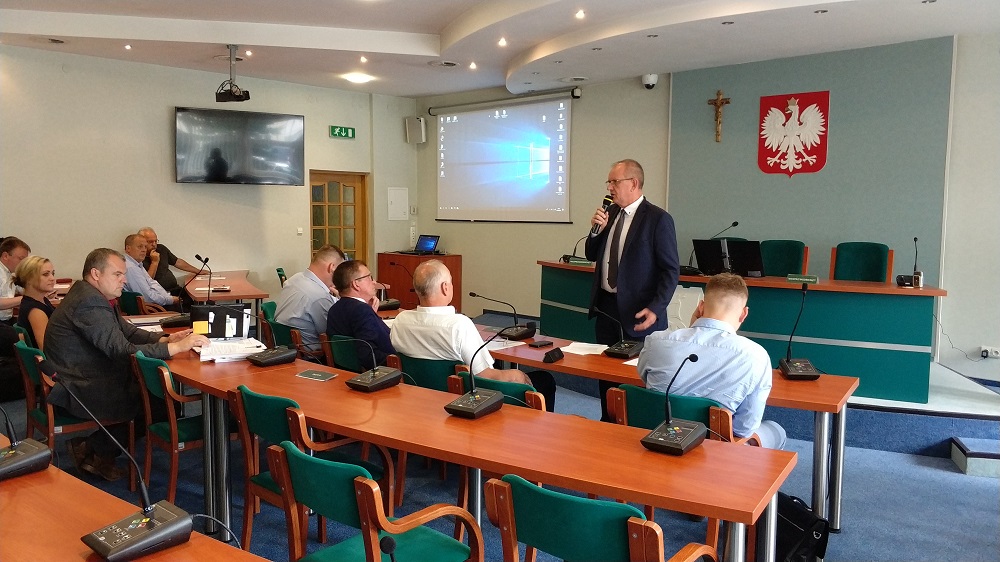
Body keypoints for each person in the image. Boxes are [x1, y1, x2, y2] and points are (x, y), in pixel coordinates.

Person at [45, 248, 209, 480]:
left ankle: (97, 450)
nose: (124, 279)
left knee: (158, 398)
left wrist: (165, 339)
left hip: (82, 374)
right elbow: (120, 350)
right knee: (159, 402)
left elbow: (127, 331)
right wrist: (175, 349)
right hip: (80, 386)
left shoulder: (91, 294)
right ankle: (92, 449)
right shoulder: (89, 302)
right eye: (118, 274)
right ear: (96, 274)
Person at [637, 273, 785, 449]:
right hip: (713, 451)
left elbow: (645, 379)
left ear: (700, 307)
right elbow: (743, 429)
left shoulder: (656, 341)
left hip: (656, 439)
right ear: (743, 314)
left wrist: (691, 329)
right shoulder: (756, 355)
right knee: (776, 430)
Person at [390, 260, 556, 410]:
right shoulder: (459, 325)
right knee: (544, 379)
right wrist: (516, 375)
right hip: (464, 404)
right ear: (445, 287)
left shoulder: (400, 321)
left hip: (418, 402)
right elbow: (485, 376)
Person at [585, 159, 679, 421]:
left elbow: (670, 270)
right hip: (606, 308)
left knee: (636, 378)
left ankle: (634, 427)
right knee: (606, 373)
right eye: (609, 182)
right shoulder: (610, 213)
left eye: (614, 182)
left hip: (639, 313)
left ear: (634, 183)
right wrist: (595, 232)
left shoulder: (658, 219)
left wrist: (656, 308)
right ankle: (607, 421)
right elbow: (591, 254)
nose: (609, 187)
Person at [326, 260, 395, 371]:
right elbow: (368, 355)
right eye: (370, 277)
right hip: (386, 373)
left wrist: (371, 313)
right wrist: (399, 361)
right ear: (356, 284)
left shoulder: (334, 309)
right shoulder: (361, 311)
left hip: (346, 372)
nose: (374, 282)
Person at [274, 245, 346, 352]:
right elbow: (336, 335)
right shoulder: (320, 297)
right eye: (340, 272)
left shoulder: (294, 279)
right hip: (313, 356)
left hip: (286, 350)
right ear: (332, 267)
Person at [137, 227, 202, 295]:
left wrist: (198, 271)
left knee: (197, 295)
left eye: (155, 241)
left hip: (175, 289)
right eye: (150, 242)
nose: (154, 244)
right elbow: (147, 283)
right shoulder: (138, 258)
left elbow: (177, 262)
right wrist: (154, 262)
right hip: (160, 294)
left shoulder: (161, 248)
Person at [123, 234, 180, 310]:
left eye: (145, 247)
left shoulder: (137, 263)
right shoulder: (130, 268)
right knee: (189, 309)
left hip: (159, 301)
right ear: (128, 248)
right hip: (151, 308)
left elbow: (152, 283)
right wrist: (171, 300)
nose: (144, 250)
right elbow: (147, 297)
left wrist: (168, 297)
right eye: (140, 246)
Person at [12, 255, 57, 350]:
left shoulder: (42, 300)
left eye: (53, 273)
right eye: (46, 274)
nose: (52, 278)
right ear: (29, 279)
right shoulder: (36, 311)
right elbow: (46, 348)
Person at [0, 236, 31, 325]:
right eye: (21, 259)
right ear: (5, 256)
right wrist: (26, 298)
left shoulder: (12, 273)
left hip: (7, 320)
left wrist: (42, 292)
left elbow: (23, 289)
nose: (23, 264)